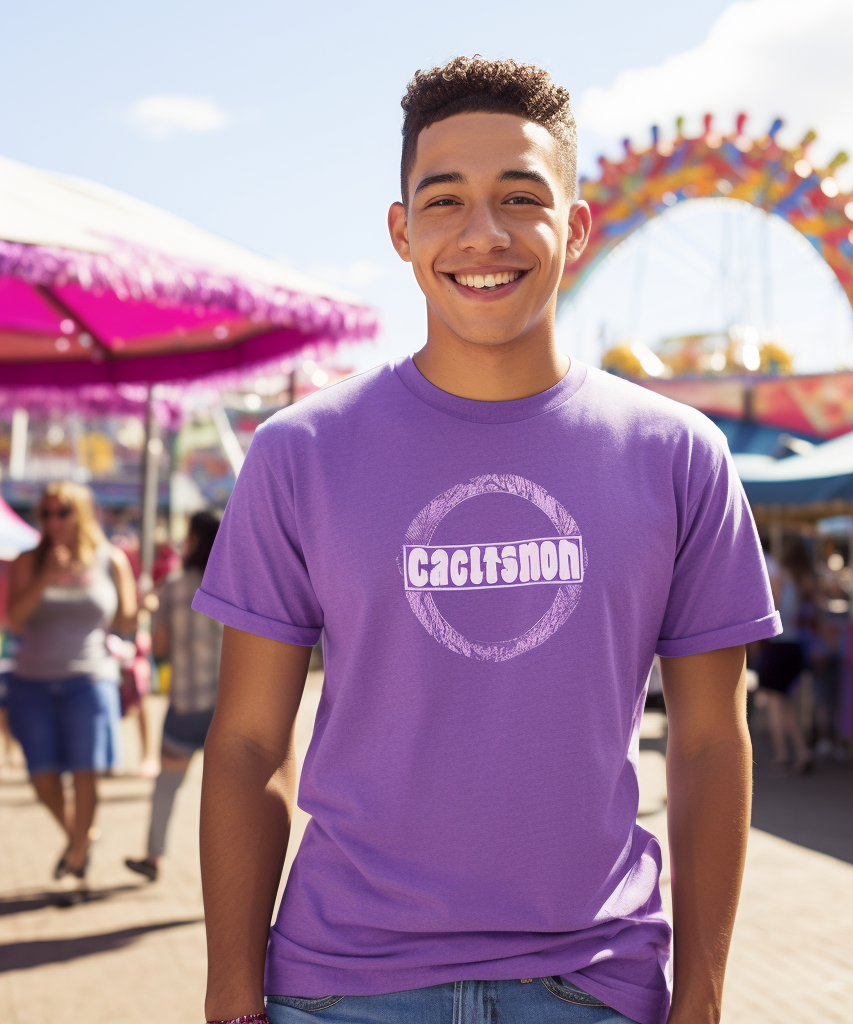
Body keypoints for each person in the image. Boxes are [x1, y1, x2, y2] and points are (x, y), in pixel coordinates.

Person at [196, 57, 780, 1024]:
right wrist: (226, 992)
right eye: (445, 200)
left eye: (521, 197)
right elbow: (251, 737)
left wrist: (704, 997)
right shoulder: (298, 454)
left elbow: (713, 742)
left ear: (578, 228)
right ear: (401, 231)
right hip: (342, 986)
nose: (484, 234)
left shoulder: (680, 456)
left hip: (592, 984)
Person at [5, 481, 137, 880]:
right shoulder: (29, 559)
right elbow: (14, 620)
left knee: (86, 771)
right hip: (32, 682)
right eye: (44, 513)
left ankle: (77, 860)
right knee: (42, 777)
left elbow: (127, 620)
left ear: (80, 513)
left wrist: (143, 605)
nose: (51, 521)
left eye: (61, 512)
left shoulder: (110, 559)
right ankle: (80, 835)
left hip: (90, 679)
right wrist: (47, 577)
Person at [125, 511, 222, 882]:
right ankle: (231, 874)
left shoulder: (175, 584)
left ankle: (153, 856)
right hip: (227, 705)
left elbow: (160, 647)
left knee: (167, 785)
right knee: (227, 798)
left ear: (195, 539)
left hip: (184, 702)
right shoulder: (237, 582)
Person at [759, 537, 813, 773]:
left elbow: (772, 608)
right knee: (784, 701)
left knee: (774, 700)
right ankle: (801, 751)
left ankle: (782, 752)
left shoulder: (781, 577)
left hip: (779, 643)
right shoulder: (807, 581)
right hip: (797, 645)